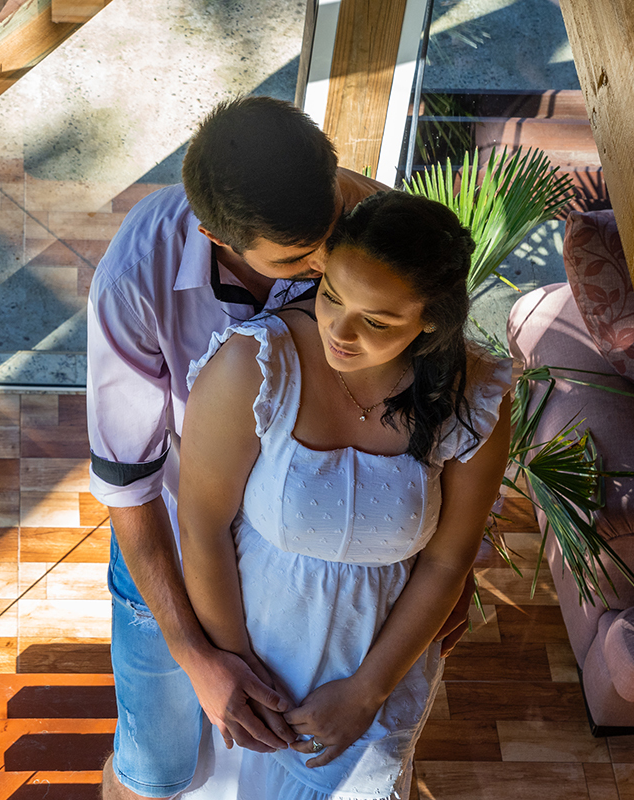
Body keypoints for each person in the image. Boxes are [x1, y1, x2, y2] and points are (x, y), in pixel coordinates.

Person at [86, 96, 471, 800]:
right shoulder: (134, 282)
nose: (328, 260)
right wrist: (199, 654)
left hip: (308, 558)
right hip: (175, 529)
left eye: (329, 232)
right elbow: (131, 489)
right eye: (302, 261)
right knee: (155, 771)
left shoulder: (370, 223)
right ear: (214, 236)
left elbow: (443, 385)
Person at [175, 191, 512, 800]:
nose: (339, 329)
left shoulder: (476, 394)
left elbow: (447, 560)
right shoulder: (255, 365)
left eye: (377, 321)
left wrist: (367, 692)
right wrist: (237, 673)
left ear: (430, 321)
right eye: (330, 296)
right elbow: (201, 525)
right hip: (250, 657)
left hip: (376, 668)